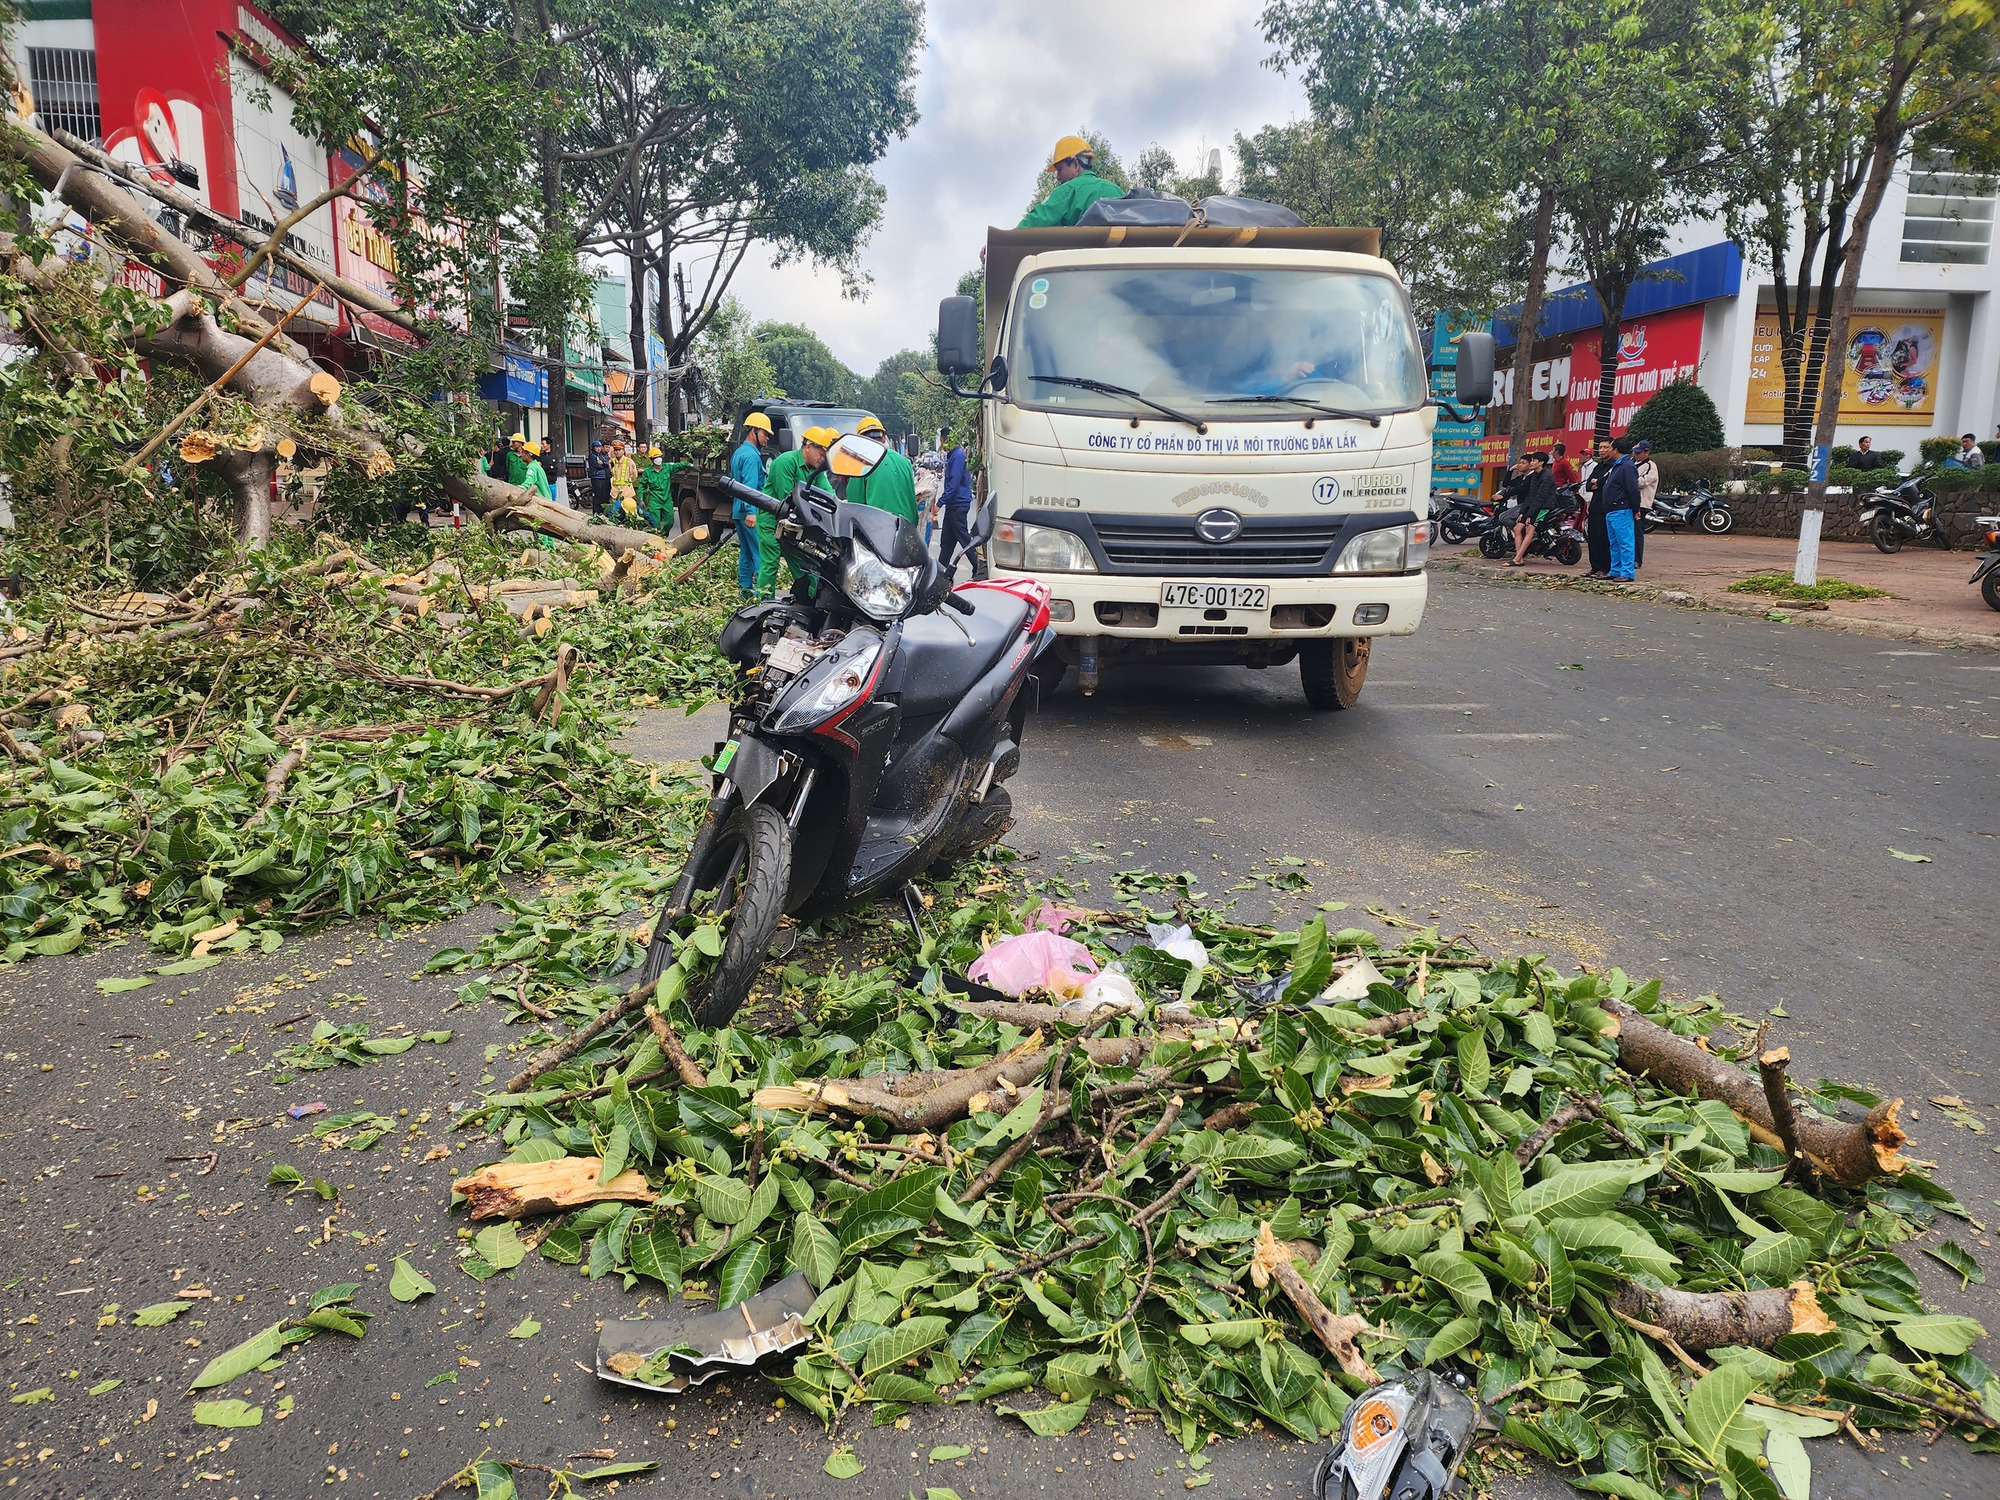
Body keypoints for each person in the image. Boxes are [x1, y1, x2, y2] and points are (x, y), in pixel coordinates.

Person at [760, 426, 835, 597]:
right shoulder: (785, 462)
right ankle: (764, 604)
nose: (823, 458)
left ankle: (810, 598)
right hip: (772, 520)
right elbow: (786, 497)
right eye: (821, 453)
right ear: (808, 447)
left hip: (795, 522)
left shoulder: (816, 470)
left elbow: (827, 493)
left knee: (804, 561)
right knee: (770, 564)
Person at [1017, 135, 1125, 229]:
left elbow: (1032, 224)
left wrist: (1005, 242)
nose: (1058, 177)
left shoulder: (1067, 191)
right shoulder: (1117, 191)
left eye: (1060, 169)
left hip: (1084, 252)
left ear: (1075, 164)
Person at [842, 415, 921, 525]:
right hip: (906, 529)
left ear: (860, 440)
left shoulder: (861, 462)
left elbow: (855, 504)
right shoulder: (905, 462)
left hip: (878, 530)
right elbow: (911, 500)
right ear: (884, 438)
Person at [729, 413, 773, 599]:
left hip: (739, 511)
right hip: (751, 513)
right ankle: (764, 598)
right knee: (760, 556)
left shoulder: (739, 452)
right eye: (765, 433)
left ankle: (745, 592)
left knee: (746, 553)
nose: (767, 437)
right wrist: (751, 513)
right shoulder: (752, 457)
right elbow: (749, 488)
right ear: (753, 431)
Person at [1598, 437, 1640, 582]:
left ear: (1615, 450)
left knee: (1625, 542)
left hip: (1622, 508)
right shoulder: (1617, 465)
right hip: (1611, 509)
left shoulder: (1627, 466)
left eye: (1609, 448)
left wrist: (1636, 508)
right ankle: (1615, 569)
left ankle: (1627, 572)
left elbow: (1633, 489)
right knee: (1614, 543)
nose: (1606, 450)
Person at [939, 438, 983, 577]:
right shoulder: (953, 455)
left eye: (942, 441)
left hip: (957, 503)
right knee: (947, 541)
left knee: (963, 537)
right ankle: (940, 570)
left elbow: (955, 481)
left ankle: (979, 567)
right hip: (953, 503)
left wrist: (940, 502)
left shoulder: (957, 456)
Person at [1509, 452, 1557, 567]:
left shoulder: (1547, 477)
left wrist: (1530, 515)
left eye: (1534, 461)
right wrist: (1523, 512)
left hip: (1544, 508)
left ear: (1541, 463)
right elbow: (1531, 495)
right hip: (1533, 506)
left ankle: (1517, 558)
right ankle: (1519, 558)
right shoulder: (1535, 475)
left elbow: (1541, 497)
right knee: (1517, 528)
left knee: (1530, 529)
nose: (1531, 463)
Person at [1632, 439, 1659, 571]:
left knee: (1637, 533)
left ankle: (1637, 559)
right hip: (1629, 502)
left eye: (1639, 452)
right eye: (1635, 452)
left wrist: (1628, 482)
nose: (1636, 455)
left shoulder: (1650, 466)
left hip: (1642, 503)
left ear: (1647, 452)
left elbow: (1643, 482)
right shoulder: (1632, 463)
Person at [637, 445, 676, 531]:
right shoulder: (647, 472)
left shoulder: (667, 468)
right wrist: (640, 499)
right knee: (655, 523)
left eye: (659, 457)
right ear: (651, 460)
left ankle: (664, 535)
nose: (658, 459)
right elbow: (642, 486)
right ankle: (658, 537)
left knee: (670, 521)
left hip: (667, 500)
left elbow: (679, 465)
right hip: (655, 501)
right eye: (655, 457)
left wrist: (690, 464)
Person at [609, 439, 639, 523]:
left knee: (628, 513)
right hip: (615, 491)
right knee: (615, 512)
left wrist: (628, 482)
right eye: (615, 450)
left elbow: (634, 475)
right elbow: (612, 473)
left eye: (619, 450)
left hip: (626, 491)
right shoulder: (611, 461)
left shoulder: (629, 461)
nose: (617, 452)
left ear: (623, 451)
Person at [586, 439, 612, 515]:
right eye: (596, 447)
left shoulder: (599, 456)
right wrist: (604, 464)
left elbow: (606, 464)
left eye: (599, 447)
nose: (598, 449)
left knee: (604, 496)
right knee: (598, 496)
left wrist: (603, 464)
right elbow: (598, 466)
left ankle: (602, 512)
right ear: (593, 448)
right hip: (596, 477)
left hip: (603, 477)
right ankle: (596, 512)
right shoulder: (592, 455)